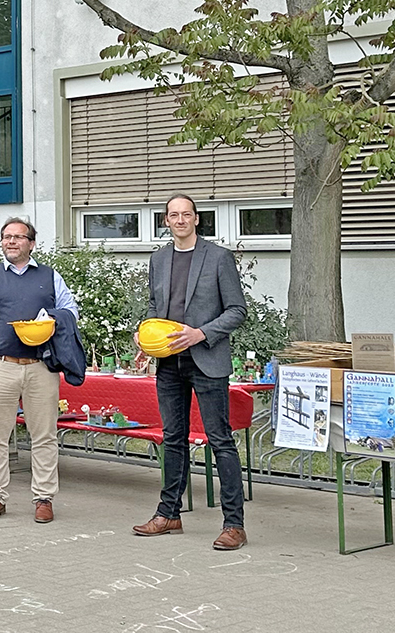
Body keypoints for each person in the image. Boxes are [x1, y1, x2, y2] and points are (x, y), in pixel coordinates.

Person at [132, 194, 250, 551]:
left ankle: (234, 524)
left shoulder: (218, 258)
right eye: (173, 215)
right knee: (173, 439)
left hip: (207, 359)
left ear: (197, 219)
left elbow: (237, 310)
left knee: (220, 441)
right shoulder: (159, 258)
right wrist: (144, 338)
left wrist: (201, 333)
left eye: (186, 214)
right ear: (166, 221)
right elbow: (155, 308)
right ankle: (169, 513)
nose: (180, 220)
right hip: (169, 362)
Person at [0, 217, 78, 524]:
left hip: (40, 366)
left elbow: (70, 310)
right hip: (1, 365)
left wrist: (49, 317)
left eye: (17, 237)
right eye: (6, 237)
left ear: (31, 243)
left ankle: (43, 497)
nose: (11, 242)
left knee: (44, 436)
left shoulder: (50, 276)